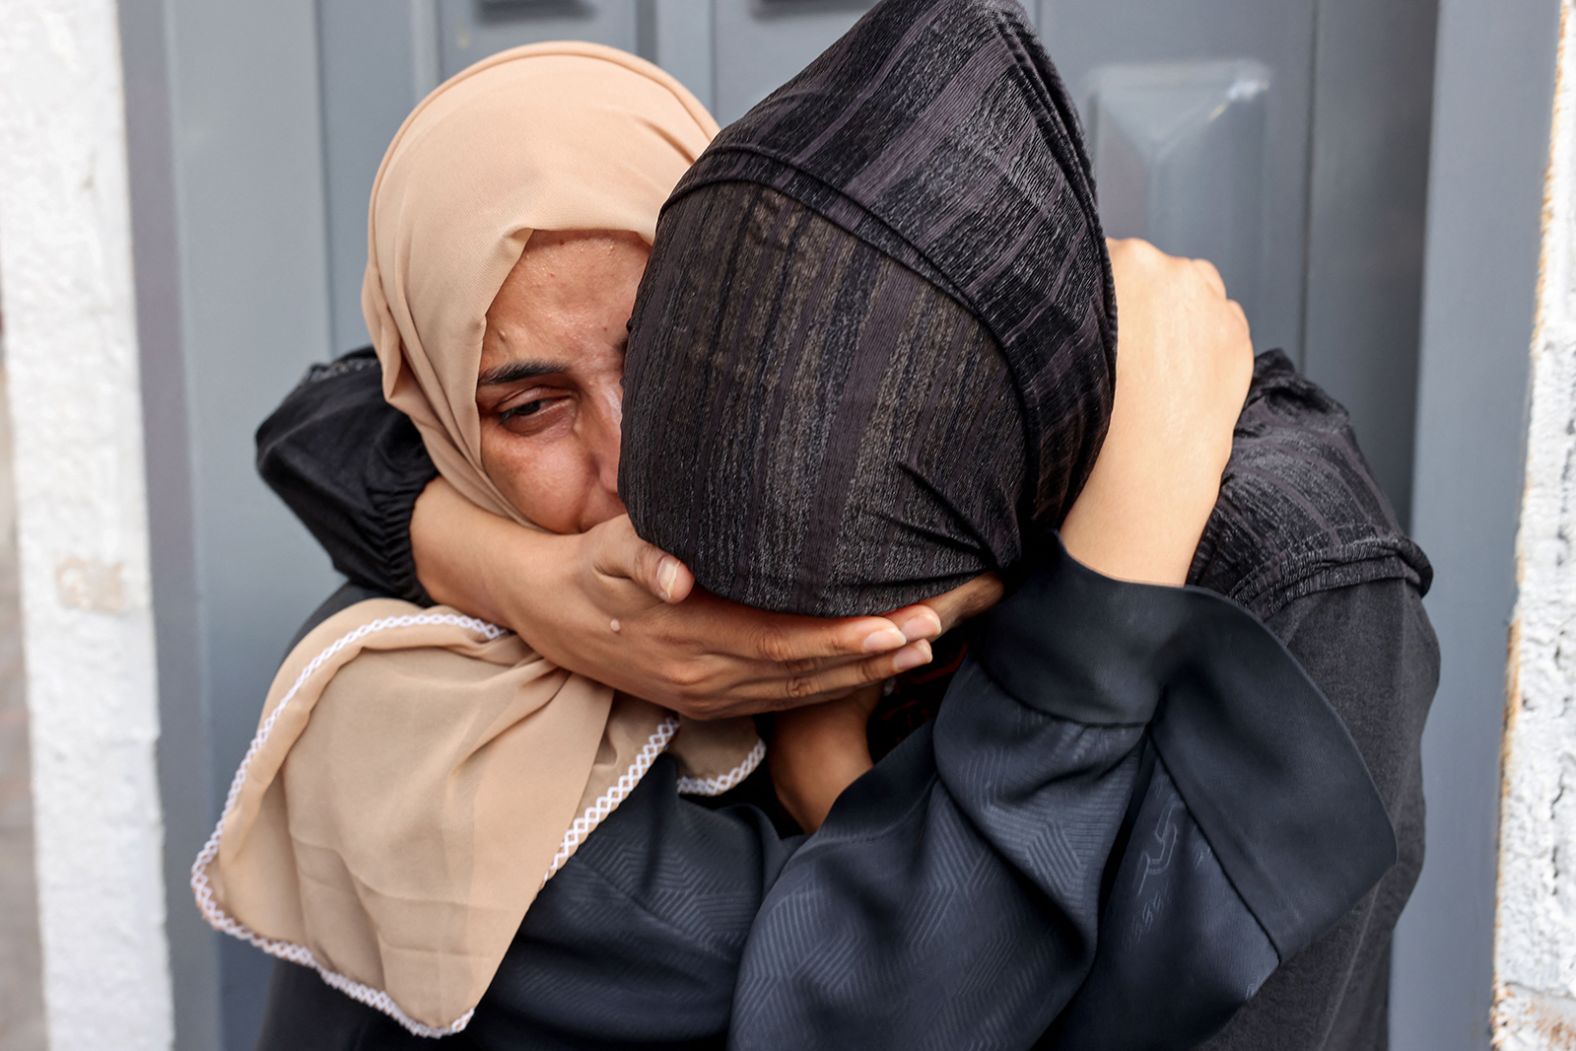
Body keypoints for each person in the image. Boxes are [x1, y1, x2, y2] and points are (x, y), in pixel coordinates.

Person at [238, 2, 1436, 1048]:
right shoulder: (451, 750)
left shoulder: (1290, 582)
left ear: (744, 299)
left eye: (665, 351)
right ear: (438, 401)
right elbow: (878, 1004)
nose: (626, 457)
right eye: (530, 404)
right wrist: (519, 580)